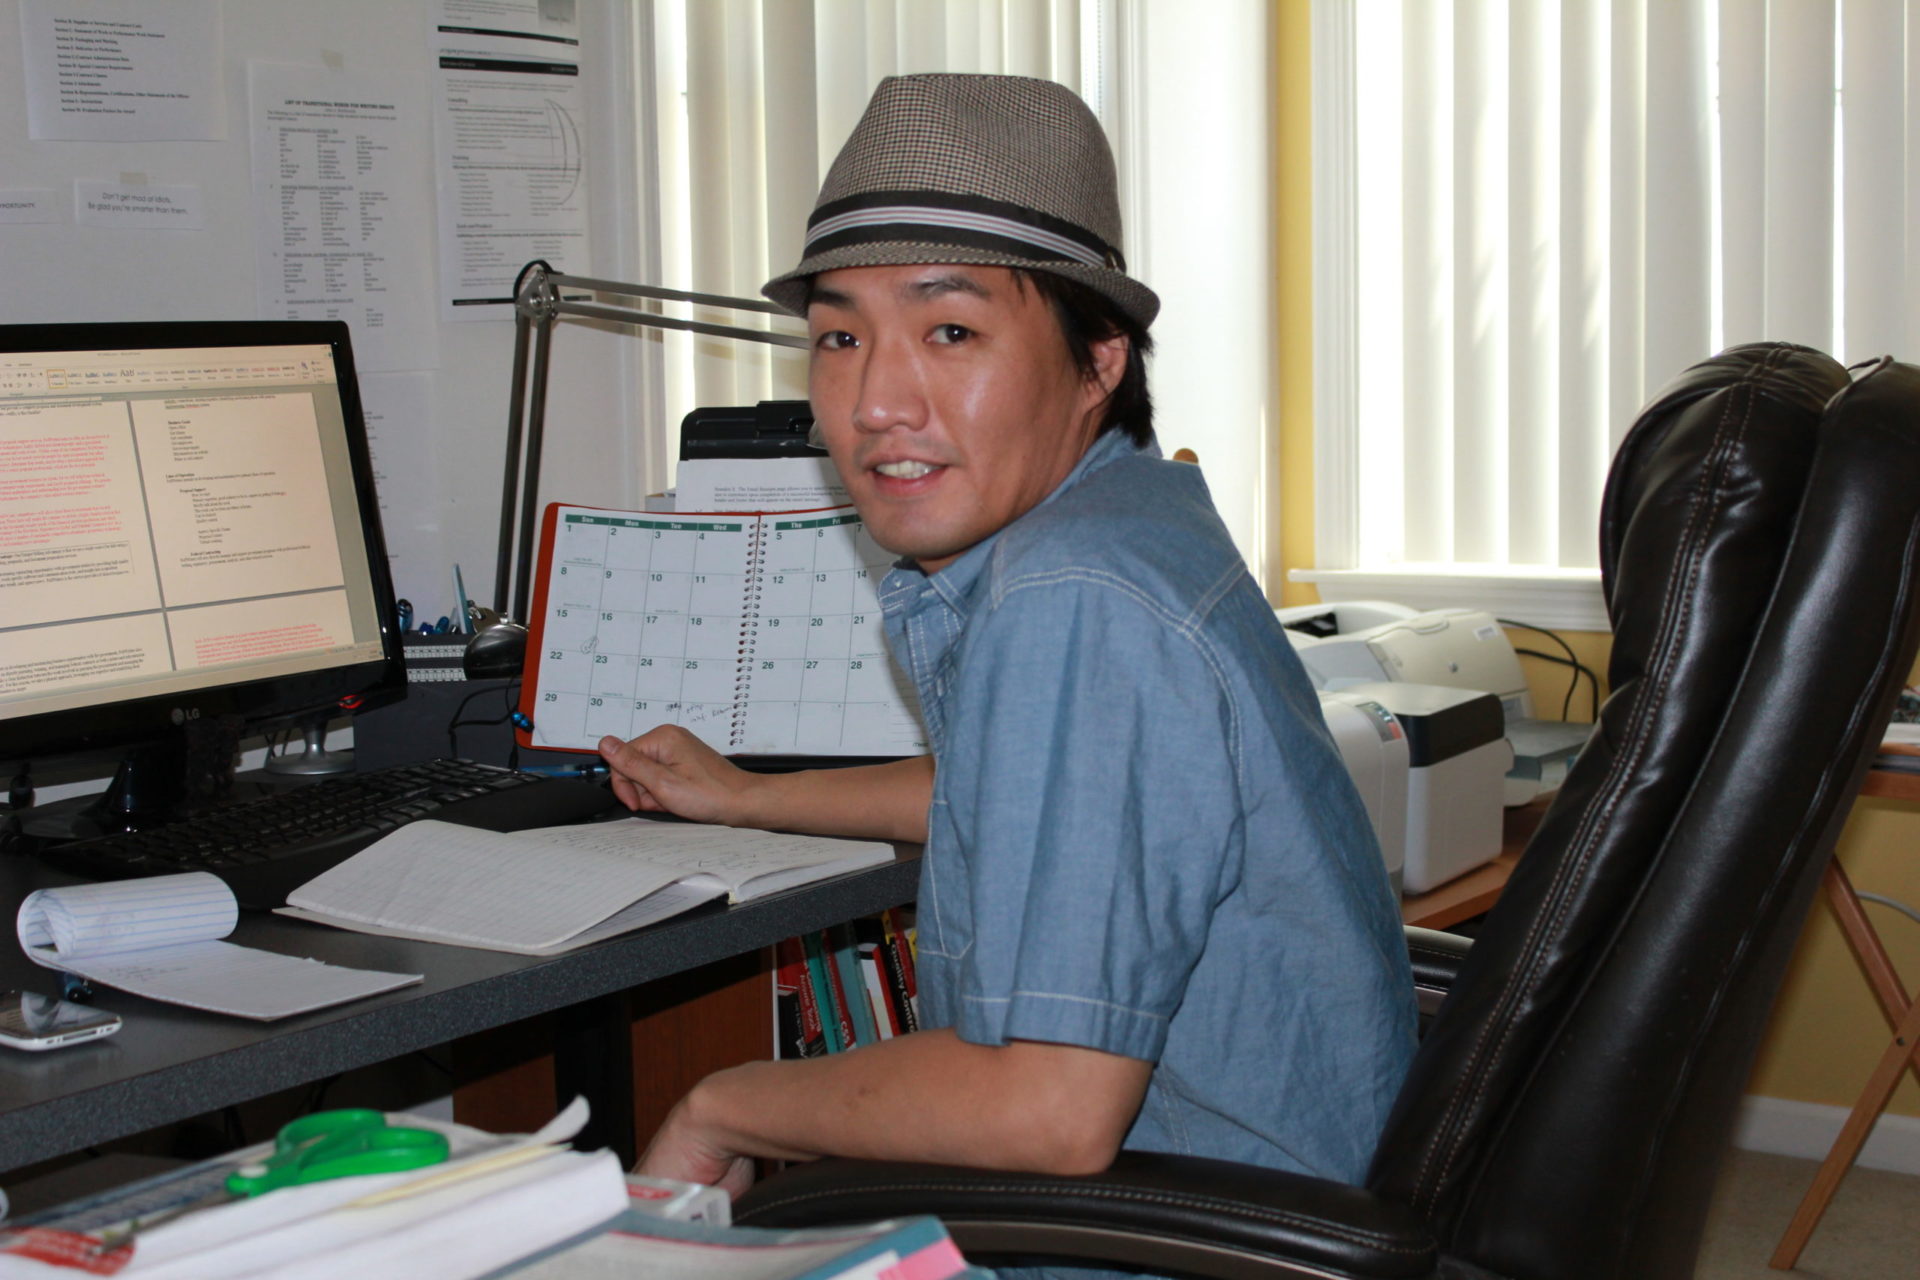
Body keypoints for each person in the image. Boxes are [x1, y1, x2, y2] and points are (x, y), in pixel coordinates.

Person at [599, 71, 1415, 1249]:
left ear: (1100, 359)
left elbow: (1048, 1111)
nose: (876, 399)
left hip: (1158, 1240)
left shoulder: (1074, 597)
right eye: (838, 335)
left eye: (950, 330)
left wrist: (717, 1103)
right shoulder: (1132, 518)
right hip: (1259, 1193)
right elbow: (1037, 798)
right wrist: (746, 795)